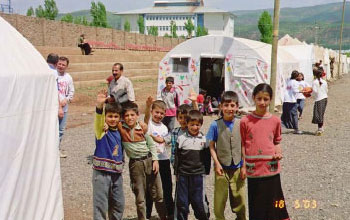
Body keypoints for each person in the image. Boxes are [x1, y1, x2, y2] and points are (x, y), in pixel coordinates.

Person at [240, 83, 289, 220]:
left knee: (275, 200)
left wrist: (278, 152)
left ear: (271, 99)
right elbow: (243, 144)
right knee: (256, 202)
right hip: (253, 169)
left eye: (266, 99)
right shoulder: (245, 121)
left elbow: (277, 141)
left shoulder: (275, 120)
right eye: (259, 98)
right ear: (253, 98)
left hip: (271, 167)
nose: (262, 102)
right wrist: (243, 166)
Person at [117, 101, 167, 220]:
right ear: (123, 117)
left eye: (132, 115)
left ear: (137, 115)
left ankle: (163, 216)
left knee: (159, 194)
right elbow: (112, 118)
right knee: (140, 197)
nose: (130, 118)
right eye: (127, 115)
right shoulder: (121, 128)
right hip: (135, 164)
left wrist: (155, 160)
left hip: (149, 161)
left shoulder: (142, 127)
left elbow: (151, 144)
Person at [207, 91, 247, 220]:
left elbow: (244, 145)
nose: (229, 109)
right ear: (220, 107)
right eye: (226, 105)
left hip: (237, 166)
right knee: (220, 198)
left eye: (232, 105)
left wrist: (244, 166)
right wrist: (217, 164)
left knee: (240, 197)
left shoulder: (241, 123)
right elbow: (211, 146)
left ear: (237, 107)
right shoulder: (215, 125)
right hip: (221, 167)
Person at [92, 90, 125, 220]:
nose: (113, 119)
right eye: (110, 116)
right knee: (100, 205)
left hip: (117, 174)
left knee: (118, 204)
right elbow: (98, 121)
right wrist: (100, 106)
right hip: (102, 174)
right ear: (105, 117)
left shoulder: (120, 132)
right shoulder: (102, 131)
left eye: (116, 117)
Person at [174, 110, 211, 220]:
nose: (194, 127)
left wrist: (206, 171)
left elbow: (206, 157)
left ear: (201, 124)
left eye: (197, 125)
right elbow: (177, 157)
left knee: (199, 201)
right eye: (192, 124)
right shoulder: (181, 139)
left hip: (198, 175)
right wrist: (176, 172)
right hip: (183, 175)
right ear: (187, 124)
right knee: (182, 202)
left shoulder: (204, 140)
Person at [144, 97, 174, 219]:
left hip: (164, 159)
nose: (159, 115)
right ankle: (147, 213)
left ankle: (170, 212)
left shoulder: (164, 128)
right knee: (150, 188)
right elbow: (145, 120)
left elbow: (165, 142)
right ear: (152, 112)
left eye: (162, 113)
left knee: (167, 187)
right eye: (156, 112)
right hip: (151, 159)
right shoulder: (148, 124)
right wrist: (147, 106)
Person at [56, 56, 74, 158]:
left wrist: (66, 100)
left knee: (61, 130)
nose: (61, 66)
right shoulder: (53, 75)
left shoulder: (68, 77)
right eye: (59, 64)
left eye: (63, 65)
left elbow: (71, 92)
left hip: (64, 107)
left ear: (66, 66)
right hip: (53, 107)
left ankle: (57, 149)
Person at [47, 53, 64, 120]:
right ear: (57, 63)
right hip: (51, 103)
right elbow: (55, 91)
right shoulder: (54, 73)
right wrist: (59, 108)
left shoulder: (40, 69)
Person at [312, 69, 328, 136]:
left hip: (319, 99)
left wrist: (312, 96)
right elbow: (327, 90)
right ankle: (321, 127)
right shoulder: (324, 81)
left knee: (318, 114)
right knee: (321, 113)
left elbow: (314, 91)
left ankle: (320, 128)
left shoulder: (315, 82)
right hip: (325, 98)